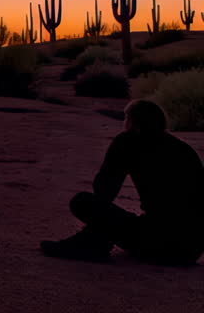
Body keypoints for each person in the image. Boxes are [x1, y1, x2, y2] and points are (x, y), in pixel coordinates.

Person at [41, 99, 204, 264]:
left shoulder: (129, 141)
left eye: (126, 118)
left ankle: (92, 244)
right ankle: (94, 242)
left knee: (82, 202)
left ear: (132, 121)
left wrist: (115, 155)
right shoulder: (184, 150)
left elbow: (104, 193)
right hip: (190, 250)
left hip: (157, 242)